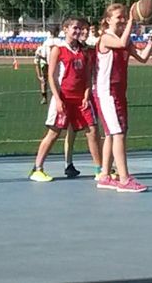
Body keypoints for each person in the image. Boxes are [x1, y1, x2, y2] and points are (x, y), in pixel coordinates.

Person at [94, 2, 152, 193]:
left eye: (125, 17)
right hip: (107, 92)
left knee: (111, 134)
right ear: (108, 20)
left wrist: (151, 42)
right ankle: (124, 179)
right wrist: (133, 20)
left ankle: (105, 176)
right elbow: (121, 44)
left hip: (118, 92)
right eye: (119, 17)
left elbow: (142, 57)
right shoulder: (106, 38)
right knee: (119, 134)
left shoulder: (124, 39)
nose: (123, 20)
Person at [29, 17, 98, 182]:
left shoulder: (84, 51)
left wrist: (87, 94)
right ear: (65, 29)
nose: (78, 31)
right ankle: (37, 168)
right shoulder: (58, 49)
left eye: (80, 28)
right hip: (63, 98)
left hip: (80, 99)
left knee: (93, 131)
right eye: (75, 28)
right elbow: (52, 76)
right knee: (54, 133)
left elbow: (87, 76)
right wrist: (58, 99)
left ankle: (100, 169)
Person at [61, 19, 103, 180]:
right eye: (81, 29)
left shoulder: (91, 49)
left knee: (93, 130)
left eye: (87, 30)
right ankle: (68, 163)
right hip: (72, 95)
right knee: (71, 129)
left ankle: (101, 166)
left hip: (89, 92)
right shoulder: (70, 49)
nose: (84, 32)